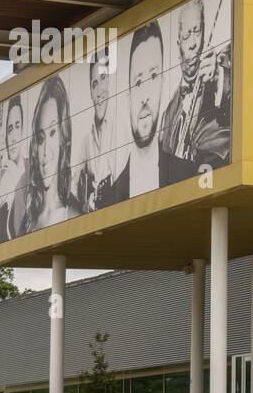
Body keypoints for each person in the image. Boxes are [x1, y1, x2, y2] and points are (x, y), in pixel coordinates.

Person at [111, 19, 198, 201]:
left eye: (153, 76)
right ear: (128, 98)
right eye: (138, 82)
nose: (145, 97)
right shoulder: (107, 199)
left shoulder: (189, 174)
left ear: (162, 86)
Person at [160, 0, 232, 169]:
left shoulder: (225, 64)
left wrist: (217, 77)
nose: (192, 43)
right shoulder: (168, 115)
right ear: (179, 46)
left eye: (197, 32)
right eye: (186, 36)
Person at [15, 75, 82, 236]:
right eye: (40, 138)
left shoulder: (75, 217)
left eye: (52, 133)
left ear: (63, 137)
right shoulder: (27, 224)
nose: (45, 152)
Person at [74, 50, 119, 211]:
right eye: (94, 84)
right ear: (91, 93)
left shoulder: (120, 126)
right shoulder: (85, 142)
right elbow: (72, 186)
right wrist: (85, 205)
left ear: (111, 81)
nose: (99, 91)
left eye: (103, 78)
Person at [0, 95, 26, 244]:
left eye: (17, 126)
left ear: (23, 130)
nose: (14, 137)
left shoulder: (33, 169)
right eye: (10, 129)